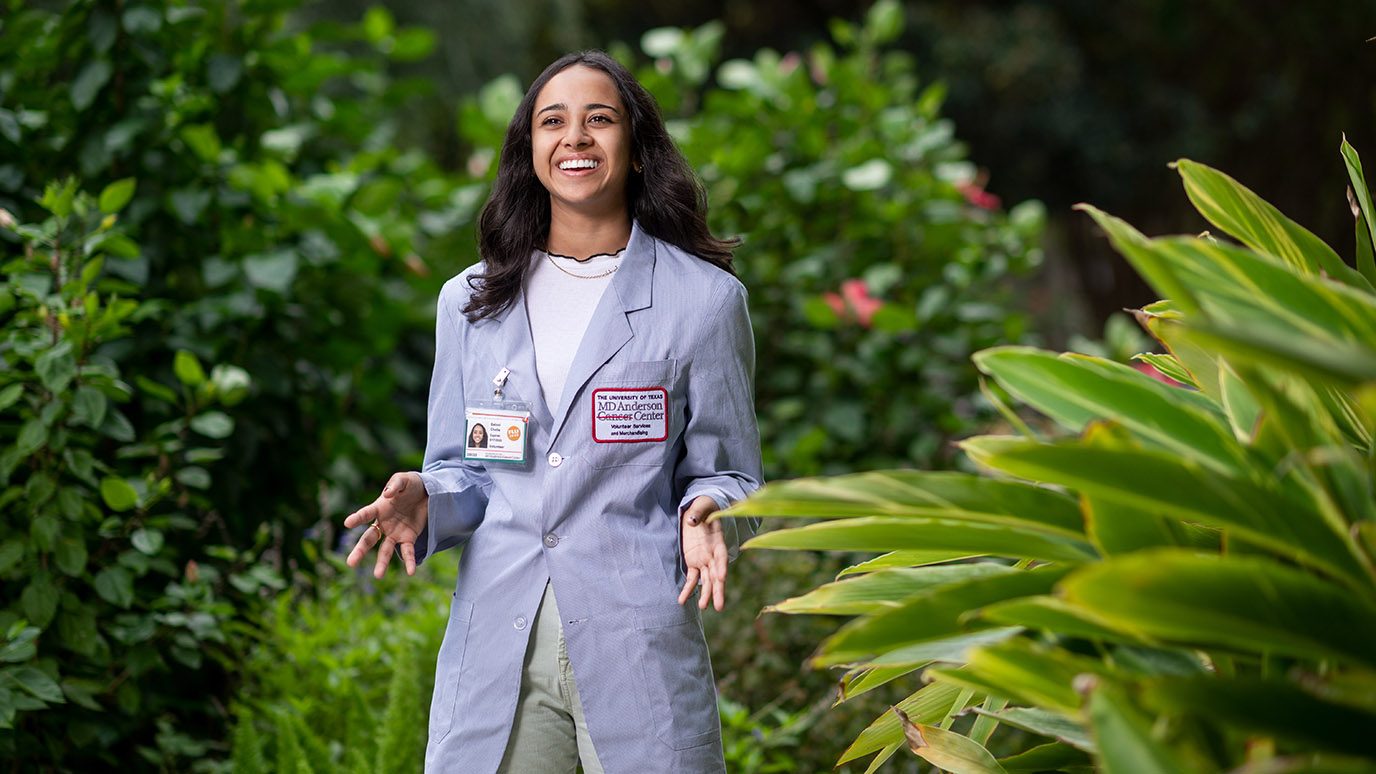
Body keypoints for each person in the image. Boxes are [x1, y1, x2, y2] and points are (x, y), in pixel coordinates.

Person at [342, 50, 763, 774]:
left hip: (637, 648)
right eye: (552, 122)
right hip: (499, 650)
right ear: (529, 149)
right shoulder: (471, 303)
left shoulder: (703, 302)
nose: (575, 137)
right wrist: (426, 499)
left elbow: (731, 475)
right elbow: (463, 471)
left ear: (634, 149)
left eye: (599, 119)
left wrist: (710, 512)